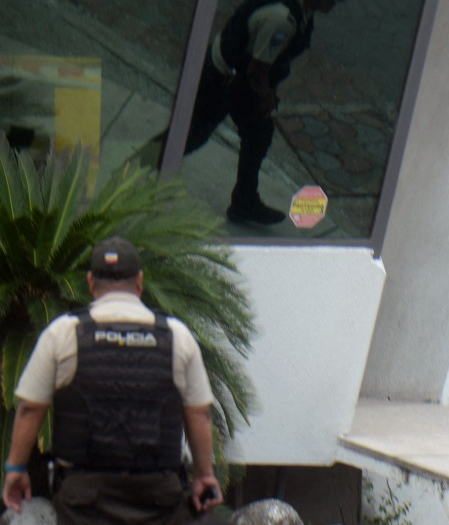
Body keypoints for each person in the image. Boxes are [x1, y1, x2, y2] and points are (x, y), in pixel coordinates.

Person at [3, 237, 223, 524]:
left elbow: (31, 408)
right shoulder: (176, 336)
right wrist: (204, 475)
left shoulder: (63, 333)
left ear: (91, 282)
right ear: (140, 282)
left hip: (83, 498)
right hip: (158, 497)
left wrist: (16, 469)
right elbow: (199, 412)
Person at [181, 0, 340, 225]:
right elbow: (257, 70)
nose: (335, 4)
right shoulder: (283, 20)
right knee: (193, 135)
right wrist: (267, 97)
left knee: (258, 133)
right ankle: (144, 162)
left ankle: (244, 201)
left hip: (237, 76)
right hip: (224, 78)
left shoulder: (302, 12)